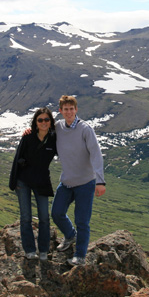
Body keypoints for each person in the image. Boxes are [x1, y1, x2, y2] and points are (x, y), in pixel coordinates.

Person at [51, 95, 106, 266]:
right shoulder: (58, 127)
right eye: (65, 109)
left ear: (76, 110)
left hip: (85, 183)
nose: (68, 112)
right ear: (60, 111)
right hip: (67, 181)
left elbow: (96, 154)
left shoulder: (85, 129)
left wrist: (100, 181)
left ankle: (80, 256)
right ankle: (70, 236)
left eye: (71, 109)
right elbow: (42, 133)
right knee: (57, 213)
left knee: (82, 221)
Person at [9, 107, 57, 260]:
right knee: (26, 217)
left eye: (46, 119)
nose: (43, 122)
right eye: (40, 120)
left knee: (44, 217)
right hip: (23, 181)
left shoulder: (54, 139)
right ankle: (29, 250)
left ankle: (43, 250)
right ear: (35, 122)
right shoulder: (28, 137)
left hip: (42, 181)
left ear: (51, 122)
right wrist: (14, 182)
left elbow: (67, 151)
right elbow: (18, 158)